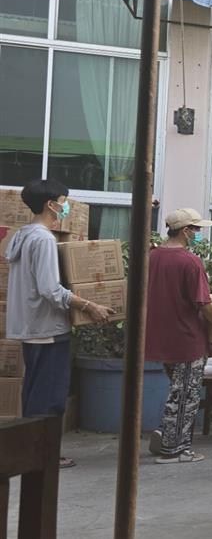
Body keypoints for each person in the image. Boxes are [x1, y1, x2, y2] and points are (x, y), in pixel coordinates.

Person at [5, 179, 116, 468]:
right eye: (63, 201)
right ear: (50, 204)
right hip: (47, 328)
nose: (65, 206)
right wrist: (89, 305)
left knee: (34, 393)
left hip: (30, 327)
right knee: (49, 397)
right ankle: (44, 454)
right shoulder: (43, 239)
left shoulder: (22, 235)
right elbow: (50, 289)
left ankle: (31, 450)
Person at [146, 208, 212, 464]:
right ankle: (174, 449)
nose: (199, 233)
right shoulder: (189, 262)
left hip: (160, 337)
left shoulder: (152, 257)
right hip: (186, 339)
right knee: (185, 395)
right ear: (185, 231)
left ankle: (168, 438)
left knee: (177, 390)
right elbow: (204, 303)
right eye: (196, 229)